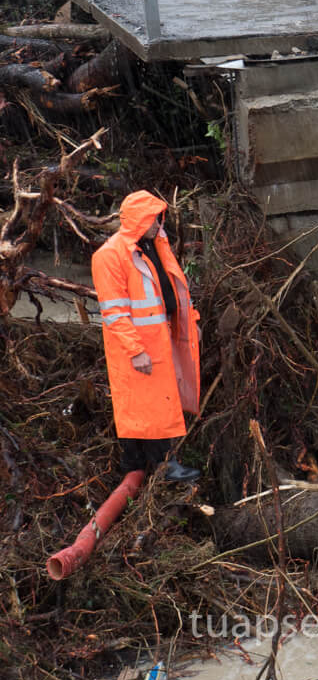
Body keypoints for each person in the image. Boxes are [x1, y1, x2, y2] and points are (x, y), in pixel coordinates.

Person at [91, 191, 202, 482]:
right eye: (154, 218)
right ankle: (163, 465)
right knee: (148, 407)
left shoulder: (150, 247)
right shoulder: (111, 256)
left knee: (150, 405)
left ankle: (138, 466)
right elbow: (114, 312)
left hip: (155, 341)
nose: (159, 224)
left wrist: (190, 322)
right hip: (137, 346)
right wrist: (135, 350)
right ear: (140, 220)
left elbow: (174, 290)